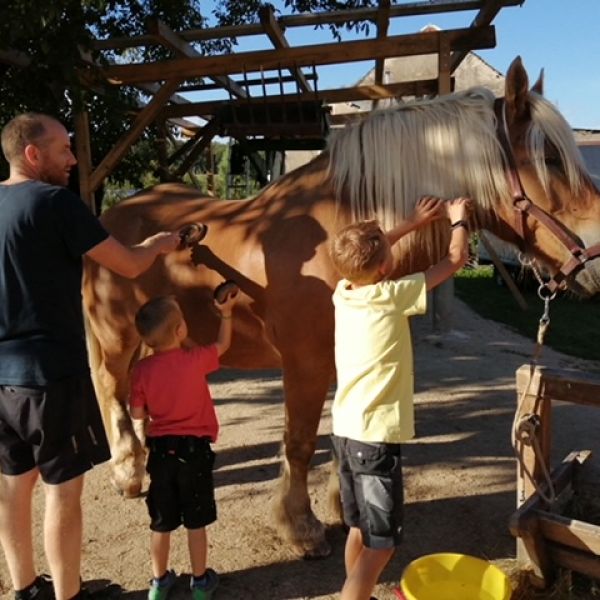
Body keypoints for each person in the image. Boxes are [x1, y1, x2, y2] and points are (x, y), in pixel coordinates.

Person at [0, 113, 181, 600]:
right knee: (63, 490)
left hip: (2, 377)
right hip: (50, 375)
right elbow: (127, 262)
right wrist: (158, 245)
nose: (74, 159)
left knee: (14, 484)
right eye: (63, 149)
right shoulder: (55, 202)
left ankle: (25, 589)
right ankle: (67, 595)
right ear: (33, 154)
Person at [328, 195, 471, 600]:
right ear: (387, 267)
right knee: (383, 544)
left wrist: (409, 223)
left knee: (360, 528)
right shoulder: (392, 296)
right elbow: (454, 261)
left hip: (345, 433)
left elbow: (360, 257)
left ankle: (358, 593)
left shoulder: (344, 291)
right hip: (373, 442)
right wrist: (457, 220)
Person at [129, 291, 237, 600]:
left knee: (160, 523)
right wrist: (226, 314)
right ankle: (200, 582)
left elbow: (137, 414)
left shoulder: (142, 370)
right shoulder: (194, 359)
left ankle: (158, 581)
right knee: (195, 521)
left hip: (161, 453)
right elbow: (223, 346)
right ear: (180, 331)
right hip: (195, 452)